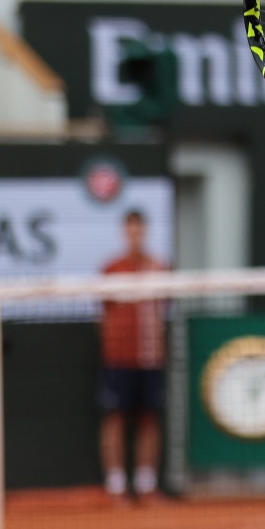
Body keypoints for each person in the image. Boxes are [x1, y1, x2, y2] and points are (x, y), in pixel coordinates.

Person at [97, 208, 167, 502]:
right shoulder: (112, 269)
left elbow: (164, 311)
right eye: (130, 229)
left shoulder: (159, 268)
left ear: (145, 231)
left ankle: (147, 483)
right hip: (119, 360)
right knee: (115, 418)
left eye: (140, 229)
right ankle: (115, 485)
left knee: (149, 419)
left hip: (151, 358)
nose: (135, 235)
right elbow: (103, 315)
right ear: (125, 232)